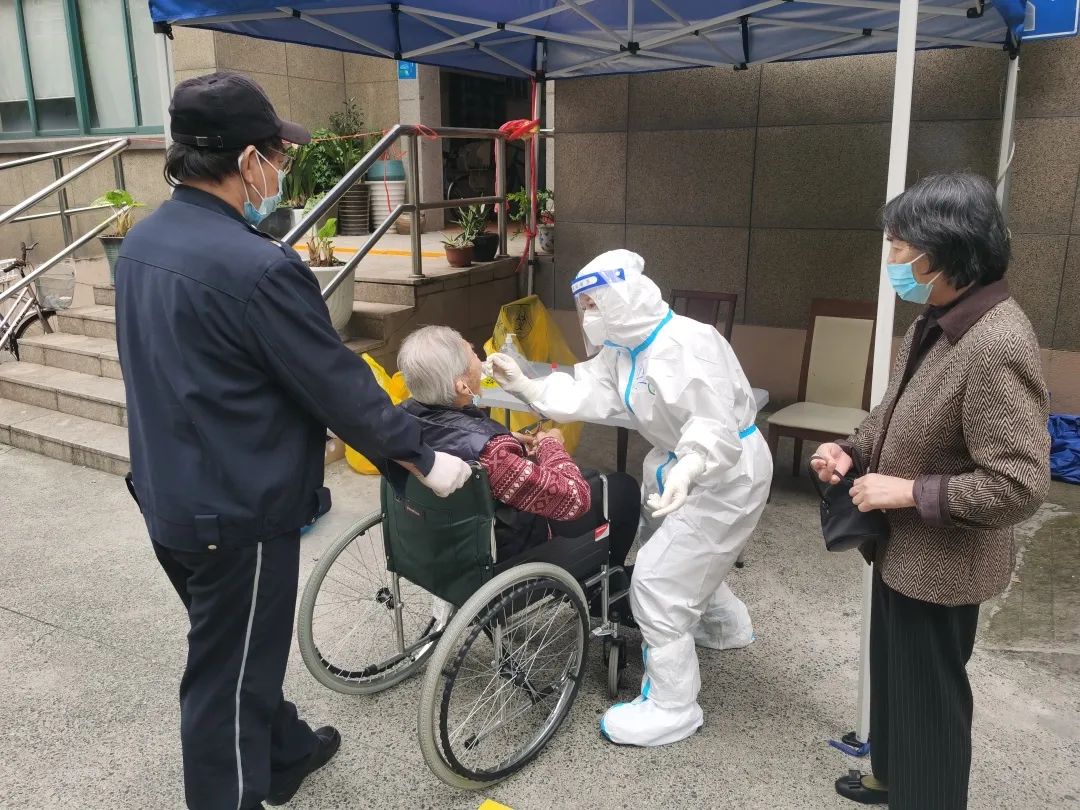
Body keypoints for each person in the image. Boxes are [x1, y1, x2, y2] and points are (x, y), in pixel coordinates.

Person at [114, 73, 471, 810]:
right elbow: (337, 386)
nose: (280, 170)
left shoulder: (144, 240)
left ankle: (285, 752)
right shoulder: (258, 267)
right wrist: (423, 455)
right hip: (234, 513)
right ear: (249, 161)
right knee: (226, 680)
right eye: (277, 155)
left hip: (165, 493)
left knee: (236, 642)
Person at [811, 173, 1050, 810]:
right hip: (902, 552)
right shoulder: (938, 318)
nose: (890, 257)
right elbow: (893, 412)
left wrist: (910, 492)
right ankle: (890, 776)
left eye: (898, 244)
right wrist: (852, 450)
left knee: (931, 706)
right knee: (896, 681)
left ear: (943, 252)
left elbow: (1020, 484)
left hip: (944, 566)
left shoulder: (996, 342)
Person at [489, 250, 772, 747]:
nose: (587, 317)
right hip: (672, 465)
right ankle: (726, 625)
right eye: (583, 307)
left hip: (723, 474)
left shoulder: (688, 343)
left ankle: (673, 706)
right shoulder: (625, 351)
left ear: (624, 297)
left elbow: (715, 423)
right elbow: (588, 390)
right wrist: (529, 386)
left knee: (659, 583)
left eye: (594, 304)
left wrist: (692, 464)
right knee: (684, 556)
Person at [396, 326, 640, 593]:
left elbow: (454, 438)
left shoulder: (399, 422)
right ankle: (607, 587)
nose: (480, 359)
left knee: (590, 478)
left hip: (434, 539)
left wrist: (508, 438)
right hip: (502, 551)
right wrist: (551, 444)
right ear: (462, 385)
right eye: (473, 354)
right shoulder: (494, 453)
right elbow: (575, 499)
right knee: (621, 488)